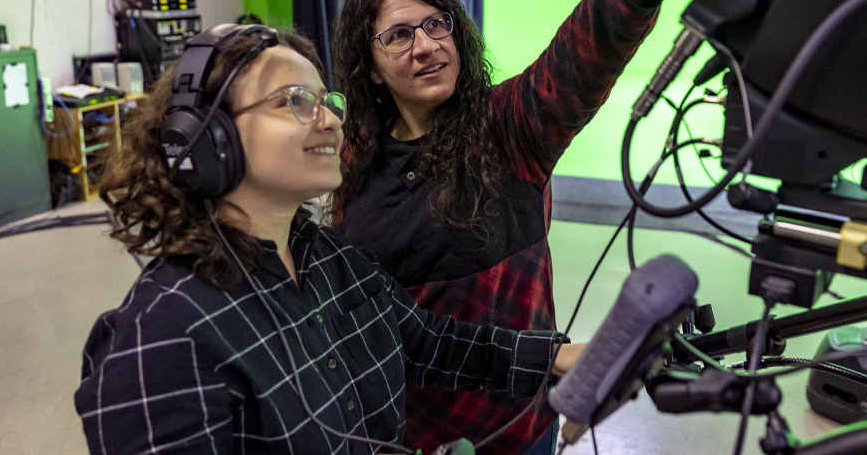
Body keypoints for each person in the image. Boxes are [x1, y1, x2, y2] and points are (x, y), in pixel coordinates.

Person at [74, 25, 583, 455]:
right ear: (208, 138)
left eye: (326, 100)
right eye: (294, 101)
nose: (331, 119)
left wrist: (561, 358)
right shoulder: (159, 338)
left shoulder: (333, 260)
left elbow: (429, 344)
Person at [331, 0, 709, 454]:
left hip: (509, 425)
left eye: (436, 24)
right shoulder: (354, 153)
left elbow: (577, 65)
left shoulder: (505, 128)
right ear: (369, 68)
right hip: (395, 426)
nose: (426, 46)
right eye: (398, 35)